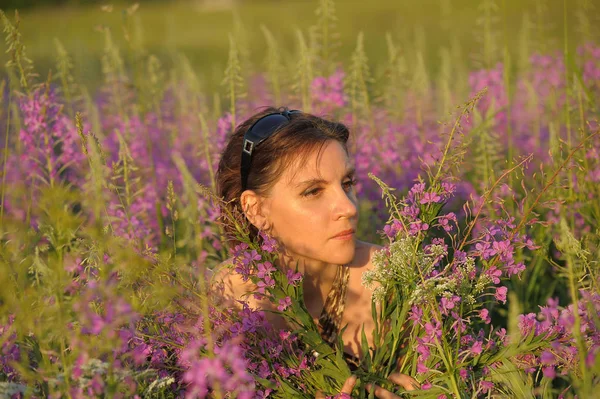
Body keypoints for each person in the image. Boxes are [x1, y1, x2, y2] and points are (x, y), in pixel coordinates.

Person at [213, 107, 419, 397]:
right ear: (256, 210)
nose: (349, 207)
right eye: (313, 191)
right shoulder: (229, 302)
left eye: (347, 183)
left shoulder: (388, 277)